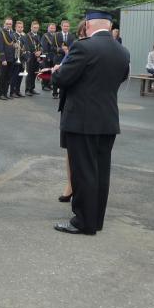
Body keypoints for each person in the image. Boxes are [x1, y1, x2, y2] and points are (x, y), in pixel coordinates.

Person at [52, 10, 130, 235]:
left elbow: (63, 78)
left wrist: (57, 71)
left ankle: (83, 222)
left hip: (82, 120)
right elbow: (120, 78)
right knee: (101, 171)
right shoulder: (122, 51)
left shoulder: (83, 47)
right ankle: (95, 220)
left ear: (88, 25)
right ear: (109, 26)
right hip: (107, 119)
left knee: (83, 171)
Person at [57, 20, 87, 203]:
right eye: (81, 34)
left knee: (84, 152)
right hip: (70, 104)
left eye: (85, 34)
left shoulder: (88, 50)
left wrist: (58, 73)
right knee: (70, 150)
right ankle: (70, 185)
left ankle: (81, 189)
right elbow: (65, 70)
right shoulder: (76, 48)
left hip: (84, 107)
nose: (82, 37)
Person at [0, 17, 15, 100]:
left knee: (8, 77)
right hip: (4, 59)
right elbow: (0, 47)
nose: (8, 25)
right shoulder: (1, 33)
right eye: (7, 24)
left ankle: (5, 93)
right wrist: (3, 59)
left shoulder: (12, 33)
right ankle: (1, 94)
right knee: (2, 76)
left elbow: (12, 44)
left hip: (11, 58)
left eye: (10, 24)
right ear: (4, 24)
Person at [9, 20, 27, 98]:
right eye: (19, 27)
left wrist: (25, 49)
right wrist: (14, 46)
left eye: (21, 27)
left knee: (20, 76)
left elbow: (26, 45)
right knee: (14, 76)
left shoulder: (24, 36)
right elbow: (10, 46)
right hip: (15, 58)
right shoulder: (13, 35)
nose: (20, 28)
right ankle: (12, 92)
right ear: (15, 27)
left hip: (22, 59)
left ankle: (18, 91)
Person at [25, 21, 42, 96]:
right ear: (31, 27)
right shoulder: (27, 35)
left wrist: (40, 52)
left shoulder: (38, 36)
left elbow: (40, 46)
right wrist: (35, 52)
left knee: (35, 73)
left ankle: (32, 88)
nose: (36, 29)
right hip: (30, 57)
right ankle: (27, 89)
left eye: (37, 28)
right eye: (34, 27)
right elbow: (27, 46)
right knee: (29, 73)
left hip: (37, 57)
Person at [40, 23, 57, 91]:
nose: (52, 29)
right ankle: (44, 85)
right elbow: (44, 47)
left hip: (54, 56)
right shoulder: (45, 36)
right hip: (47, 56)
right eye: (51, 28)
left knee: (51, 71)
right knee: (46, 71)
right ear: (48, 28)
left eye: (54, 28)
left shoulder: (56, 35)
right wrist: (46, 56)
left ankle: (49, 84)